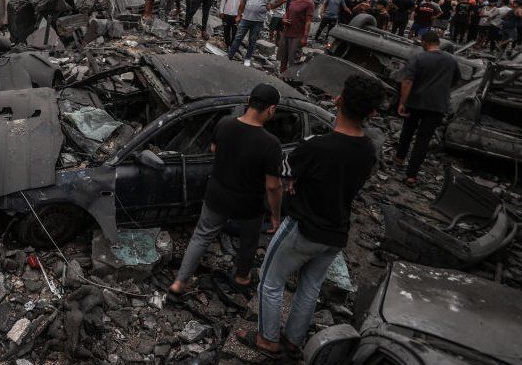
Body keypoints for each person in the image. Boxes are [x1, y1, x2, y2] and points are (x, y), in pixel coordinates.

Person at [236, 75, 383, 358]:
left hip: (303, 228)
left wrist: (295, 182)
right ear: (372, 113)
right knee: (310, 286)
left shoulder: (317, 147)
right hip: (336, 231)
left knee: (271, 280)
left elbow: (283, 172)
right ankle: (293, 340)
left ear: (338, 101)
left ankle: (267, 339)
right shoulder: (368, 150)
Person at [168, 83, 284, 297]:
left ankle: (179, 282)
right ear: (271, 109)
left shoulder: (225, 123)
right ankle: (242, 277)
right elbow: (273, 185)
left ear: (249, 101)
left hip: (217, 194)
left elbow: (214, 149)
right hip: (249, 204)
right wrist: (275, 216)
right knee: (249, 241)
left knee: (201, 236)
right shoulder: (271, 144)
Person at [395, 31, 459, 186]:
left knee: (408, 131)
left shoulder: (418, 57)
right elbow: (456, 80)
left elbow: (407, 81)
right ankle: (411, 175)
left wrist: (402, 102)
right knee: (423, 140)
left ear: (425, 42)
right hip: (437, 106)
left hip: (415, 102)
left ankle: (399, 159)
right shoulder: (451, 60)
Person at [228, 0, 286, 66]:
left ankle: (247, 58)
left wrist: (272, 6)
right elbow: (243, 1)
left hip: (258, 20)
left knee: (252, 40)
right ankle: (230, 56)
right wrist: (238, 15)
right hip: (246, 18)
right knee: (238, 38)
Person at [278, 0, 313, 74]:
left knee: (293, 60)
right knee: (283, 57)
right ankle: (281, 77)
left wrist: (305, 37)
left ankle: (290, 79)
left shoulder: (309, 2)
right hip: (286, 33)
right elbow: (287, 13)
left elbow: (308, 21)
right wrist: (284, 19)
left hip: (297, 36)